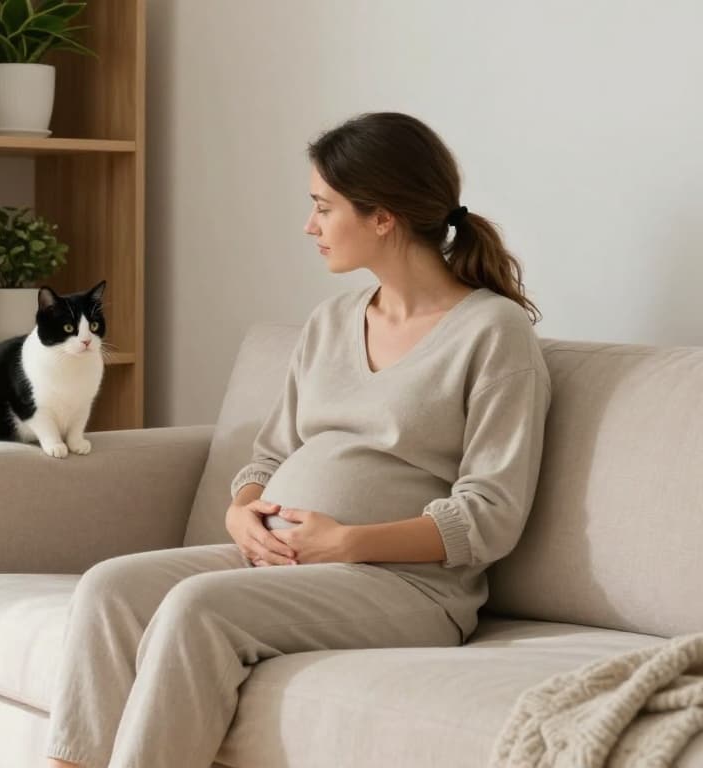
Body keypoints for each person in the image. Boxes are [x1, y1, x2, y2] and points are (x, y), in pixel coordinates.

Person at [44, 111, 552, 768]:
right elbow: (270, 454)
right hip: (286, 562)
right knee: (109, 589)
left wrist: (347, 542)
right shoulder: (331, 320)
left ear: (383, 217)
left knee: (198, 609)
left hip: (408, 587)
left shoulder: (494, 333)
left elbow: (493, 515)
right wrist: (239, 511)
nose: (309, 226)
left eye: (323, 207)